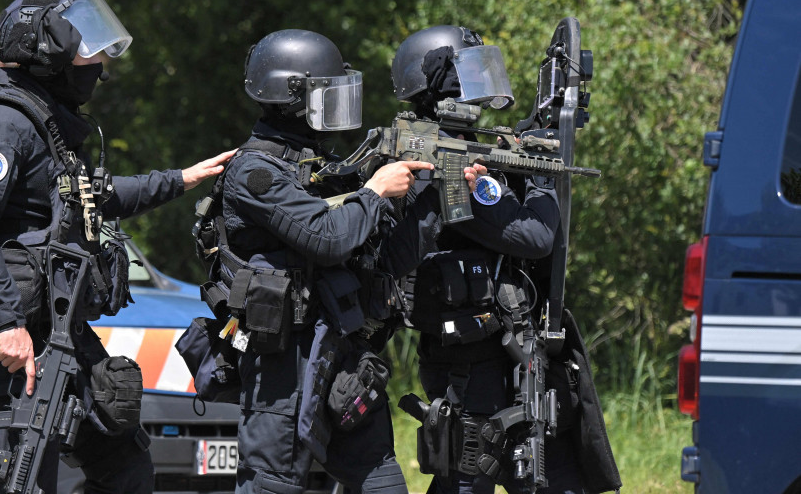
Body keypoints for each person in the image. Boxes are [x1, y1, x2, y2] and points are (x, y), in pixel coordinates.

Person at [0, 0, 234, 493]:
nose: (97, 63)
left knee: (126, 469)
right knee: (25, 477)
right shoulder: (3, 122)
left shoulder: (50, 125)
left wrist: (183, 178)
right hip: (11, 343)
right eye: (85, 46)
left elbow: (95, 197)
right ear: (49, 53)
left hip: (60, 334)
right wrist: (6, 324)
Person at [211, 28, 452, 494]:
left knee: (382, 483)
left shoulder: (322, 168)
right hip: (282, 366)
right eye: (328, 93)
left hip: (342, 354)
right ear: (293, 97)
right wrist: (375, 190)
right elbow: (326, 239)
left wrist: (436, 194)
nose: (339, 105)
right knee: (271, 485)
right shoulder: (255, 172)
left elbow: (387, 257)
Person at [391, 25, 620, 494]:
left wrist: (522, 153)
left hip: (491, 352)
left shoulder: (462, 151)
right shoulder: (445, 163)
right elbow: (533, 234)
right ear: (440, 88)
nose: (481, 86)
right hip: (470, 364)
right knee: (470, 476)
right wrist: (540, 174)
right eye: (467, 73)